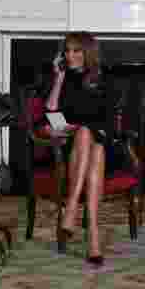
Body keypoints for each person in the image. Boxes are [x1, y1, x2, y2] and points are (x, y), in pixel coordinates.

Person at [42, 31, 118, 265]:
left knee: (90, 137)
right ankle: (93, 239)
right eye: (67, 50)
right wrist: (59, 78)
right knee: (85, 137)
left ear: (88, 53)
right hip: (70, 147)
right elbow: (52, 111)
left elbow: (108, 119)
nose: (70, 55)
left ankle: (72, 207)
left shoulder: (102, 79)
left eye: (76, 50)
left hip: (100, 142)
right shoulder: (62, 78)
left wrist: (92, 130)